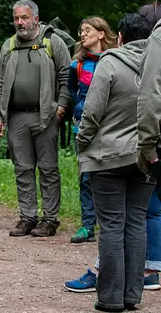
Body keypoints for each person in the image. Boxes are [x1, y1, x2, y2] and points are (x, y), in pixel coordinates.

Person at [65, 12, 161, 295]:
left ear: (119, 37)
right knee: (136, 225)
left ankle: (109, 298)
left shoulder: (110, 63)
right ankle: (132, 294)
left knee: (111, 226)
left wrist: (82, 141)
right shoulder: (156, 66)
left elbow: (92, 112)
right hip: (146, 157)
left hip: (107, 158)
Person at [0, 0, 71, 237]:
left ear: (36, 18)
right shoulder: (9, 46)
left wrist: (61, 108)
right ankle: (27, 217)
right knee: (22, 169)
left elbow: (67, 78)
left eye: (24, 17)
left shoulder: (52, 42)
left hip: (46, 116)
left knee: (48, 169)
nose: (19, 22)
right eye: (16, 18)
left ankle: (50, 219)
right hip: (16, 117)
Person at [68, 17, 117, 243]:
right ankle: (88, 225)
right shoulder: (76, 64)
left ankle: (112, 225)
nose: (83, 34)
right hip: (84, 125)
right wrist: (78, 108)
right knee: (85, 175)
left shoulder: (116, 59)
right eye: (81, 31)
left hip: (111, 125)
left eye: (88, 30)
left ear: (101, 33)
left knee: (111, 175)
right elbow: (72, 90)